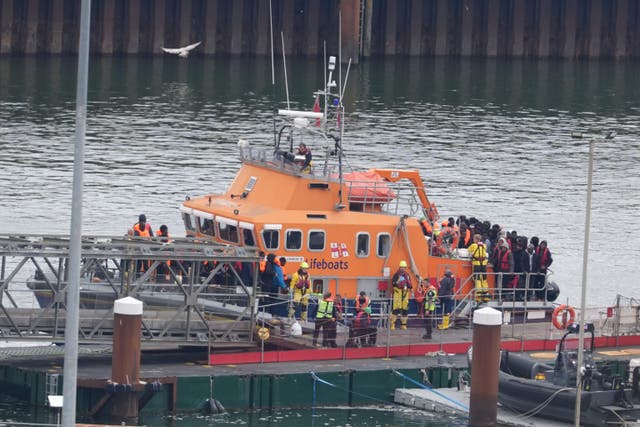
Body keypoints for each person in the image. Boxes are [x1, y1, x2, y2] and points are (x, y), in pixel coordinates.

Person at [390, 260, 412, 330]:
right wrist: (398, 281)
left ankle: (403, 324)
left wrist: (409, 285)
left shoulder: (407, 276)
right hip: (397, 293)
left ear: (405, 268)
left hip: (405, 293)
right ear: (399, 267)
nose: (402, 268)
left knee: (405, 309)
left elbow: (410, 286)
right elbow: (393, 284)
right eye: (401, 267)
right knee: (396, 309)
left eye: (404, 267)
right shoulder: (396, 275)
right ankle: (392, 324)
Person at [467, 233, 489, 303]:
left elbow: (469, 250)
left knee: (477, 280)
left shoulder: (473, 245)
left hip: (476, 264)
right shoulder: (484, 246)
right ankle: (486, 297)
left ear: (475, 239)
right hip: (483, 265)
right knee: (484, 280)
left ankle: (478, 298)